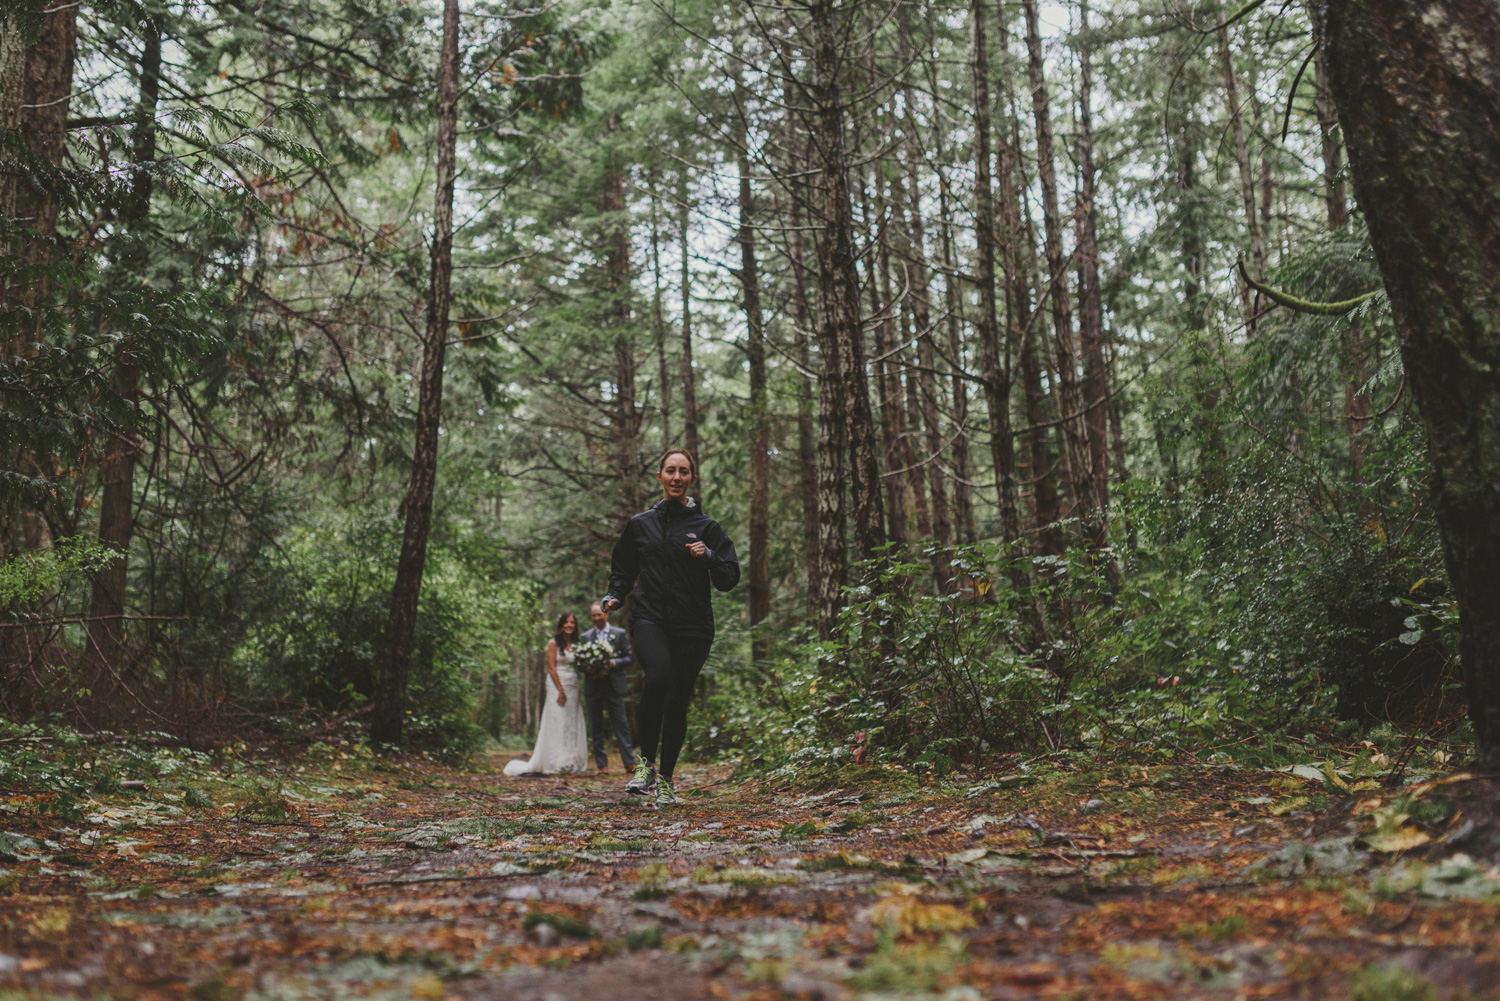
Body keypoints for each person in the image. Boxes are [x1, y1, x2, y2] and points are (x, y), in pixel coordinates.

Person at [600, 448, 740, 805]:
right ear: (660, 477)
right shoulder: (640, 524)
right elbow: (623, 569)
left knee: (678, 699)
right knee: (658, 678)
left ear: (691, 477)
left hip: (693, 625)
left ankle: (666, 780)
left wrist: (708, 556)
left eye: (684, 471)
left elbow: (729, 577)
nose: (677, 477)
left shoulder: (707, 528)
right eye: (670, 471)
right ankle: (645, 764)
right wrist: (615, 595)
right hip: (650, 618)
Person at [503, 612, 588, 776]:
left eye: (572, 622)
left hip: (574, 685)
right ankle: (556, 760)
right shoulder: (553, 643)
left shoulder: (577, 644)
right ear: (561, 624)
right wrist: (560, 690)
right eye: (566, 622)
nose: (569, 625)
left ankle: (571, 761)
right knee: (558, 720)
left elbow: (580, 665)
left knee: (571, 722)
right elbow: (551, 668)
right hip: (557, 685)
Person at [582, 601, 637, 772]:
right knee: (595, 725)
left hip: (614, 685)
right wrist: (588, 667)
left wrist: (613, 662)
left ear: (606, 614)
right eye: (594, 616)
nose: (597, 618)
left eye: (599, 614)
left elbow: (629, 658)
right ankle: (602, 765)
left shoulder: (619, 634)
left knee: (621, 724)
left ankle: (629, 763)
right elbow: (580, 662)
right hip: (594, 685)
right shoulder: (586, 637)